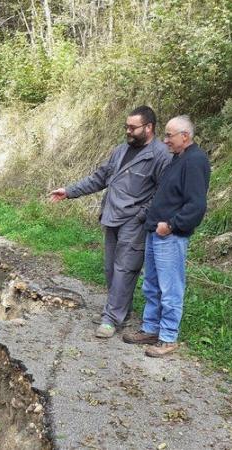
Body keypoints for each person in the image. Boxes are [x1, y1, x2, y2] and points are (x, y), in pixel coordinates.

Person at [49, 106, 171, 338]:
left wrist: (142, 214)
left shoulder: (160, 155)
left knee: (125, 269)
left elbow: (163, 192)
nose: (128, 131)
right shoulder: (121, 150)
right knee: (110, 268)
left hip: (134, 221)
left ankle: (112, 318)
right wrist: (69, 191)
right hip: (111, 216)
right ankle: (117, 312)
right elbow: (99, 178)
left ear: (149, 127)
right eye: (126, 127)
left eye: (133, 128)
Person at [122, 115, 211, 357]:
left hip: (169, 235)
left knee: (170, 287)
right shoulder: (177, 158)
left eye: (170, 136)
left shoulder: (195, 161)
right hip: (155, 231)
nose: (165, 140)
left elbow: (196, 205)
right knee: (151, 285)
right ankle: (151, 329)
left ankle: (168, 337)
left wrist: (171, 225)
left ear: (185, 136)